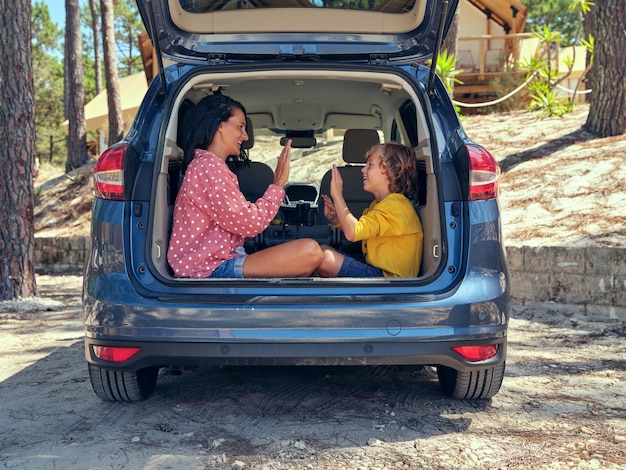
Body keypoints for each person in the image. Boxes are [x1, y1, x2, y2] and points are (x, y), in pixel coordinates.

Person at [167, 94, 322, 278]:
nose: (245, 136)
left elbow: (237, 227)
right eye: (240, 126)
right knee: (311, 250)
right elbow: (250, 223)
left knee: (303, 259)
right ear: (219, 125)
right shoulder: (208, 167)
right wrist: (278, 184)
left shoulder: (209, 166)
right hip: (210, 270)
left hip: (215, 263)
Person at [316, 142, 423, 278]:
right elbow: (362, 230)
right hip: (379, 273)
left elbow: (353, 233)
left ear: (392, 171)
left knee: (325, 258)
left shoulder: (396, 206)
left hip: (391, 282)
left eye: (370, 165)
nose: (363, 170)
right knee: (322, 252)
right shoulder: (381, 204)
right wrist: (337, 219)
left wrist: (337, 195)